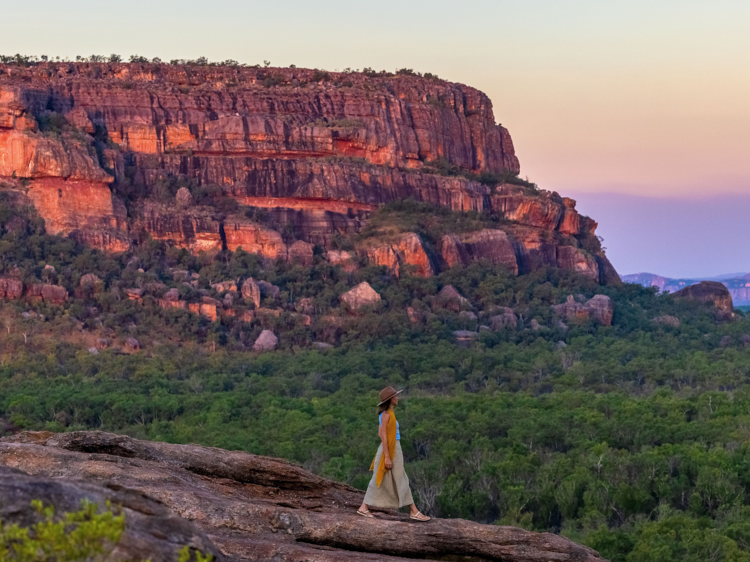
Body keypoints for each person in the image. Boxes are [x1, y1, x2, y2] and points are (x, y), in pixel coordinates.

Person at [357, 386, 431, 521]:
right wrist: (387, 457)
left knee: (396, 478)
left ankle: (364, 507)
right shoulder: (385, 415)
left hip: (393, 448)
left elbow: (380, 433)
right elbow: (383, 436)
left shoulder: (388, 414)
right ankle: (413, 511)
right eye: (395, 396)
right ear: (390, 399)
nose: (397, 398)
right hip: (391, 449)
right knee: (390, 478)